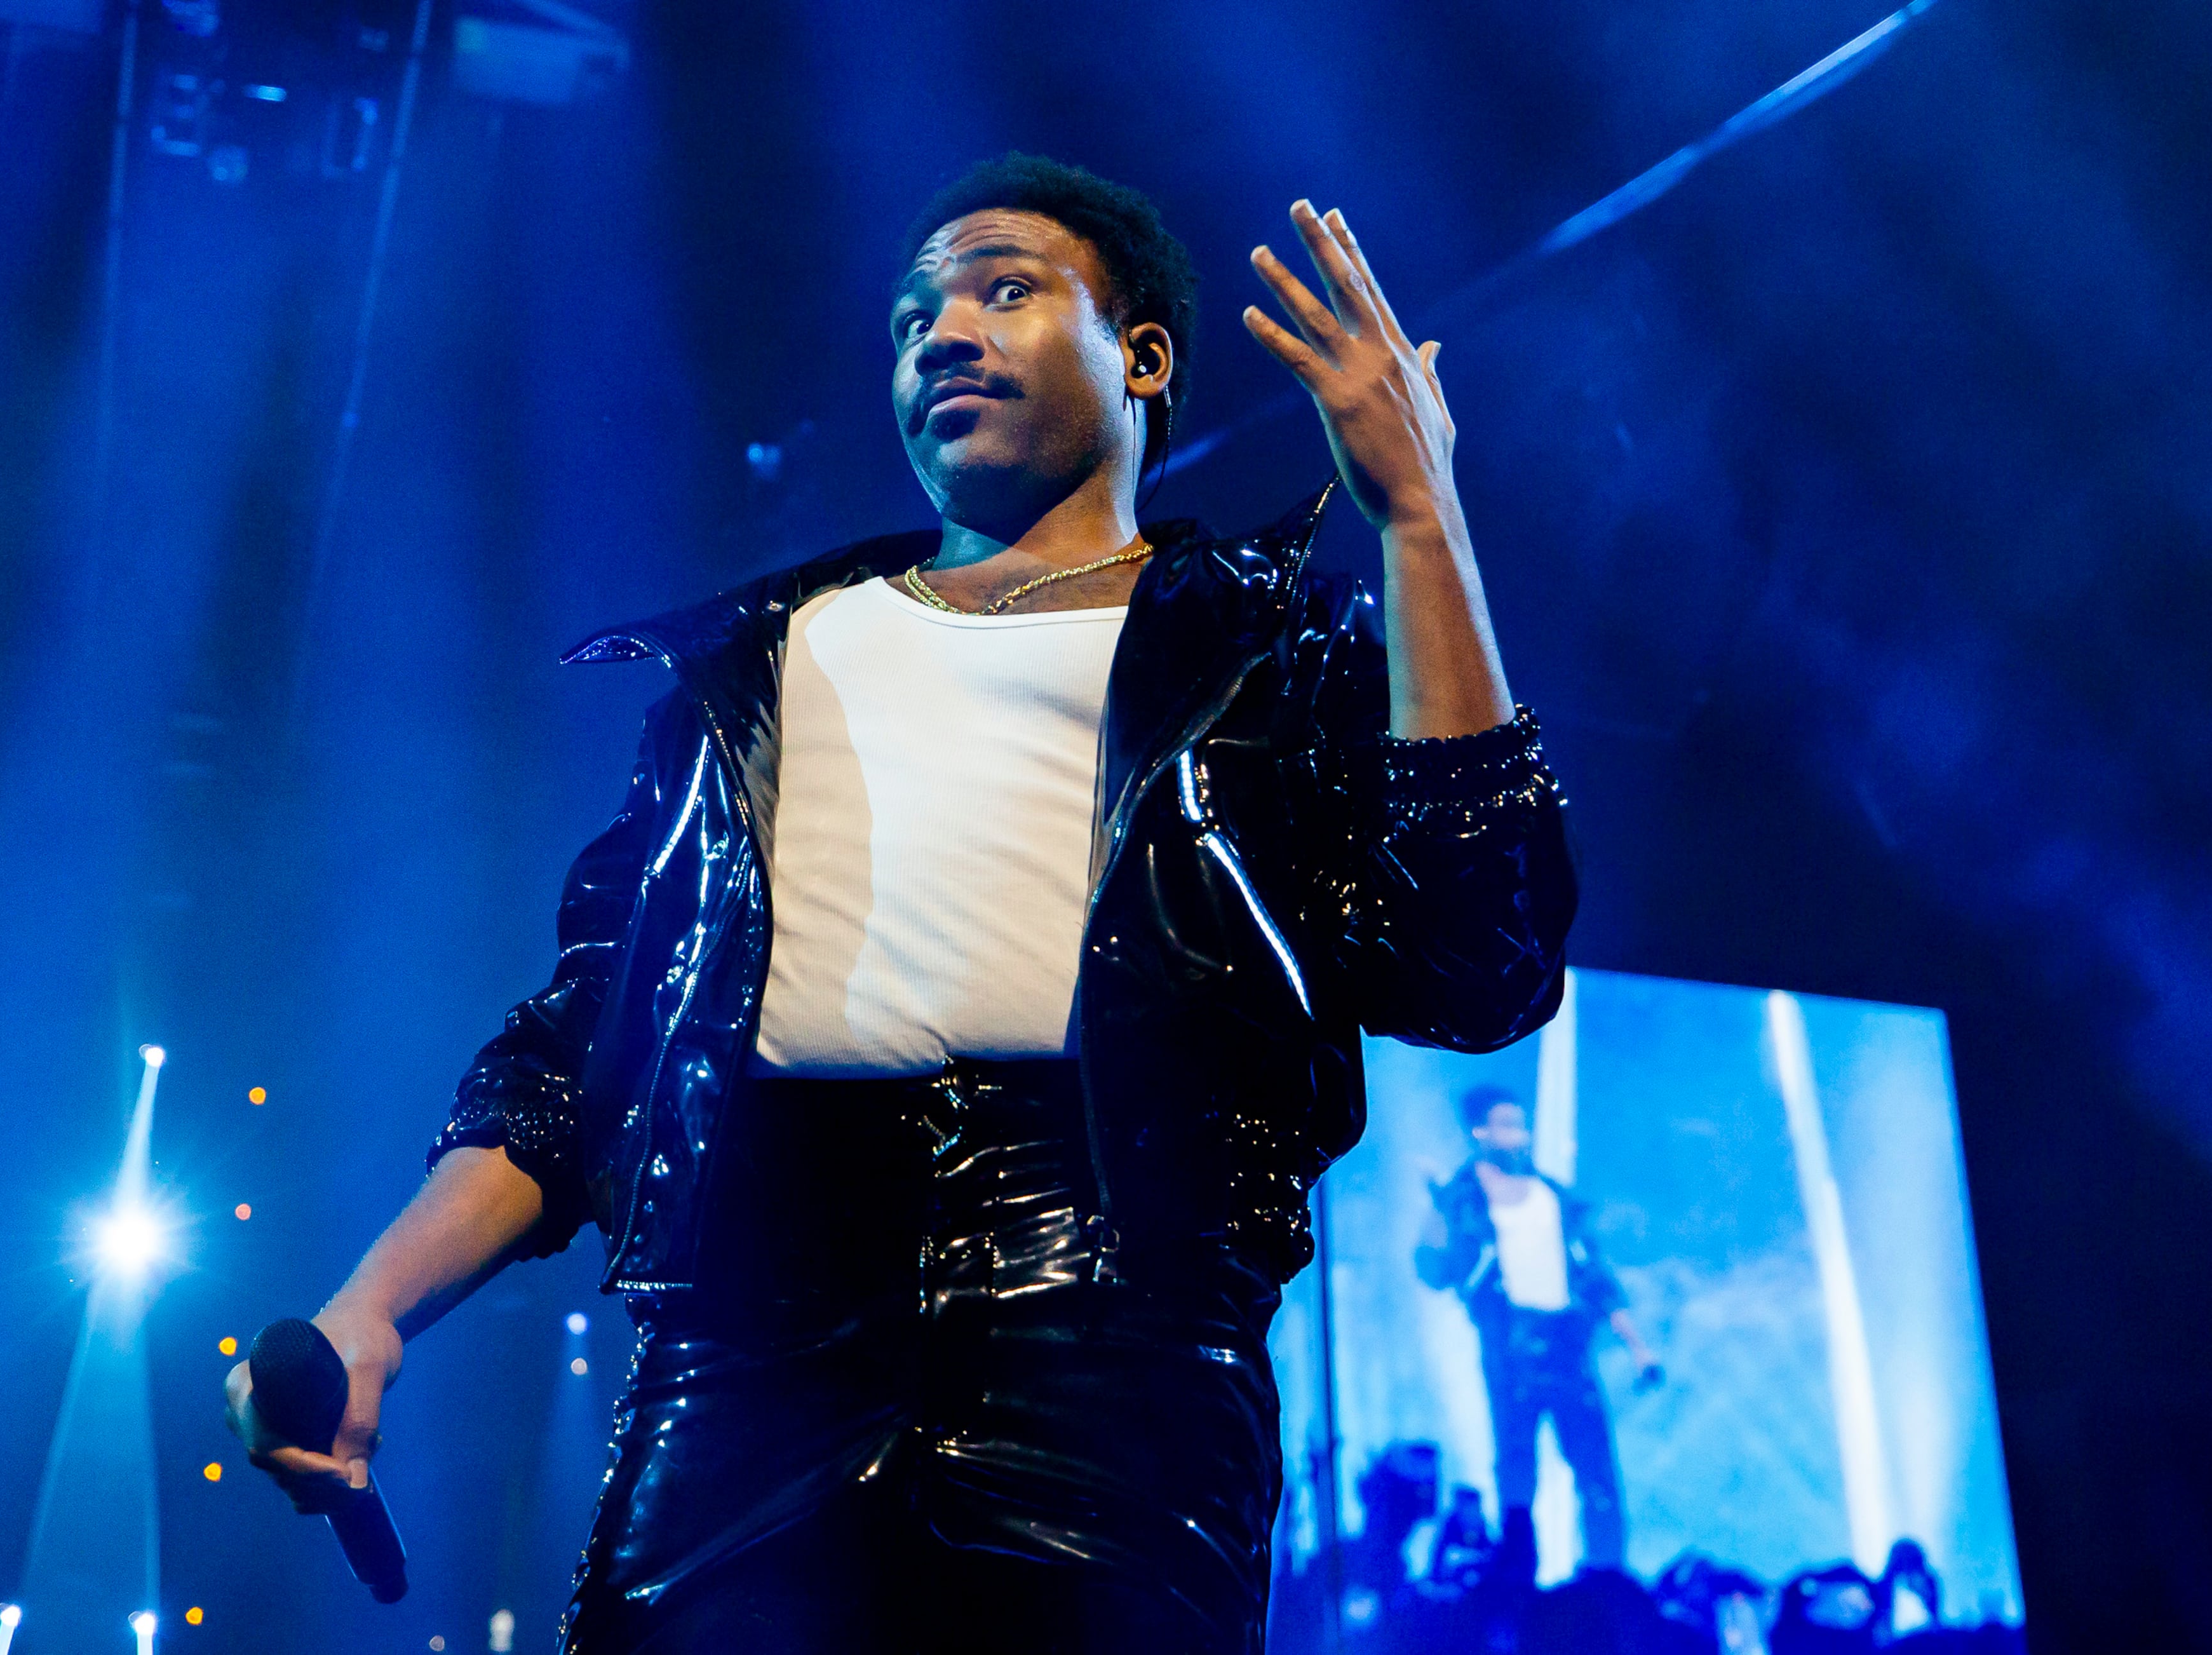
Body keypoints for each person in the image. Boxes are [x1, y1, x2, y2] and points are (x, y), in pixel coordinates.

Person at [228, 153, 1575, 1654]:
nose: (942, 334)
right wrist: (371, 1307)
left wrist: (1418, 518)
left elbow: (1483, 959)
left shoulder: (1268, 659)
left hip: (1117, 1371)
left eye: (1003, 289)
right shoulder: (748, 672)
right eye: (912, 317)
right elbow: (582, 1054)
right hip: (745, 1365)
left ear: (1139, 356)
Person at [1415, 1084, 1660, 1579]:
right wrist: (1437, 1206)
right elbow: (1436, 1271)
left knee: (1596, 1468)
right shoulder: (1464, 1200)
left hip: (1568, 1345)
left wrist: (1638, 1347)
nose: (1520, 1136)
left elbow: (1595, 1277)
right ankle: (1517, 1584)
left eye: (1521, 1125)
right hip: (1511, 1350)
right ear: (1480, 1132)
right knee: (1516, 1473)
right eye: (1507, 1125)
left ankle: (1607, 1579)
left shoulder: (1553, 1196)